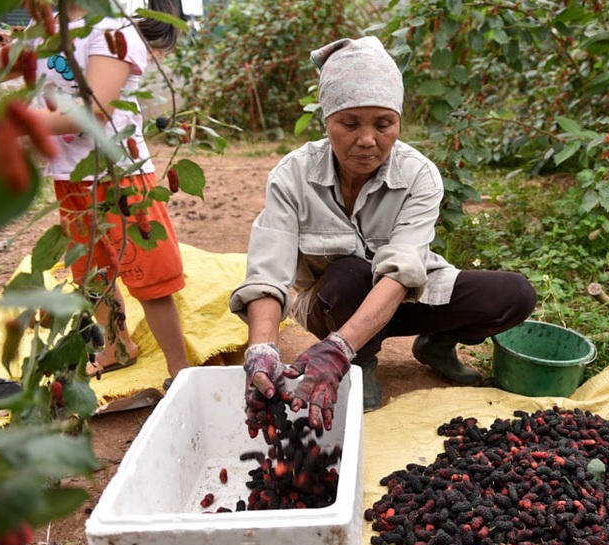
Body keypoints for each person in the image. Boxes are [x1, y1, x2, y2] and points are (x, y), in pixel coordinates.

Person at [230, 36, 536, 429]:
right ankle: (361, 360)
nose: (367, 140)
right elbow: (267, 272)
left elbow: (402, 271)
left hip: (402, 296)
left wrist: (337, 350)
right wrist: (262, 348)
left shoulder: (418, 175)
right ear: (326, 121)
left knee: (514, 294)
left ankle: (436, 344)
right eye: (349, 124)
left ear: (398, 123)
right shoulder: (293, 176)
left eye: (383, 124)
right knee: (349, 273)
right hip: (334, 304)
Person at [0, 1, 190, 388]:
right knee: (92, 273)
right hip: (70, 177)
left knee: (149, 275)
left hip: (119, 175)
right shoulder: (45, 28)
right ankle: (116, 346)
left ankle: (179, 368)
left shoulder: (111, 29)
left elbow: (93, 109)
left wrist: (11, 121)